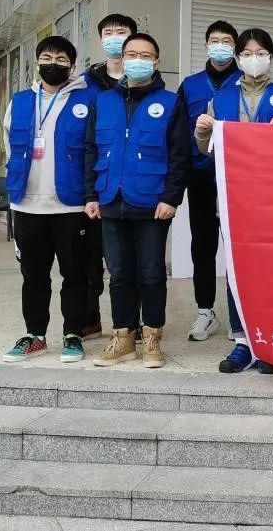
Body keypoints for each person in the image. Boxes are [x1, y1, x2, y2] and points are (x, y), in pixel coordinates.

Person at [195, 28, 273, 374]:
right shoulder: (221, 99)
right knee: (237, 270)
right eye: (246, 53)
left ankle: (272, 342)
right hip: (234, 200)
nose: (253, 59)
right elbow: (209, 150)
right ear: (238, 58)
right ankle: (242, 341)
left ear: (271, 57)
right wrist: (202, 132)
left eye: (260, 53)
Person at [85, 33, 191, 369]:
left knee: (151, 272)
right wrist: (91, 195)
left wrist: (171, 198)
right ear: (122, 58)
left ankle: (153, 336)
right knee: (119, 274)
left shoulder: (171, 102)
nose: (138, 60)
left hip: (151, 202)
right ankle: (124, 337)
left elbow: (180, 155)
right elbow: (90, 150)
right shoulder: (103, 101)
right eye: (132, 54)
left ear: (156, 62)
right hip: (110, 198)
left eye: (145, 55)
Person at [2, 36, 93, 363]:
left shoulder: (88, 99)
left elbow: (93, 149)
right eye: (47, 58)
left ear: (72, 65)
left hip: (71, 203)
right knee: (33, 274)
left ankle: (73, 334)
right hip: (27, 203)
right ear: (37, 62)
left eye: (61, 59)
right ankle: (35, 334)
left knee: (75, 274)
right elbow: (9, 146)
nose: (53, 64)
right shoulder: (20, 100)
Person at [177, 20, 242, 343]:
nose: (220, 46)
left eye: (226, 41)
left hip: (237, 177)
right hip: (200, 175)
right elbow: (178, 133)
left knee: (237, 247)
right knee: (202, 245)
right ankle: (205, 311)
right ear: (205, 46)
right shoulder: (190, 85)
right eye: (215, 40)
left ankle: (239, 314)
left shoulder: (245, 82)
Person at [81, 13, 138, 340]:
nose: (115, 38)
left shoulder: (142, 79)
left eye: (122, 32)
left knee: (131, 259)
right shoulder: (86, 83)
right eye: (108, 33)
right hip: (96, 178)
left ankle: (134, 321)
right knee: (90, 256)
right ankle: (90, 317)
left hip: (131, 182)